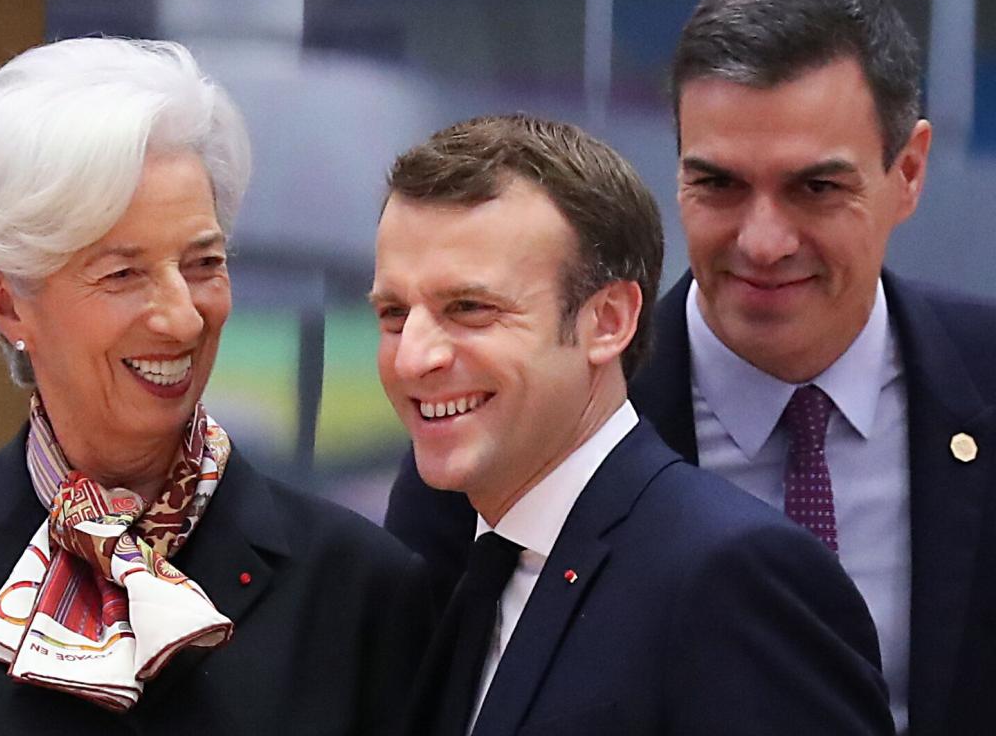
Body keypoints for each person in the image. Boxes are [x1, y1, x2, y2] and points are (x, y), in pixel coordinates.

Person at [384, 0, 996, 736]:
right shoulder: (525, 432)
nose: (764, 241)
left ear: (907, 171)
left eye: (815, 188)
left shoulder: (982, 377)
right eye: (720, 185)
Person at [0, 37, 431, 735]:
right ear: (5, 302)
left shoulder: (357, 583)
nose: (182, 318)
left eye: (203, 264)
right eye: (123, 274)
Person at [371, 113, 893, 735]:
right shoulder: (452, 560)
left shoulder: (732, 578)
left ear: (609, 321)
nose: (412, 358)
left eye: (469, 308)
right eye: (394, 314)